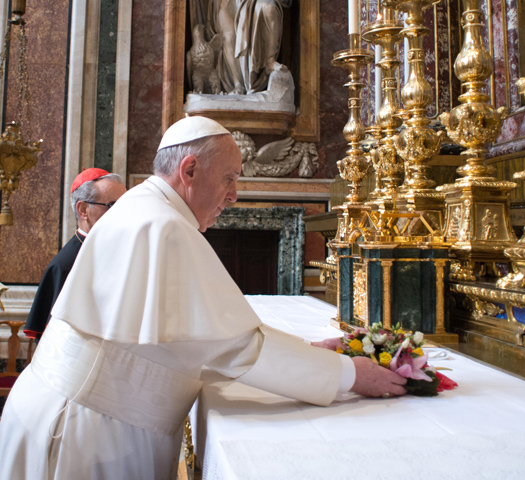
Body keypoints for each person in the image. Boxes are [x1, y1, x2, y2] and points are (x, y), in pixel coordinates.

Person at [0, 116, 406, 480]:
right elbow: (236, 349)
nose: (234, 195)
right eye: (230, 178)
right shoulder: (162, 226)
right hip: (84, 435)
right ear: (190, 169)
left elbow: (183, 344)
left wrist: (308, 350)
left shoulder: (147, 211)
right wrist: (350, 375)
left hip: (81, 416)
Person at [23, 169, 127, 341]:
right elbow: (57, 341)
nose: (123, 213)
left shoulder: (119, 250)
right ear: (83, 210)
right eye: (113, 206)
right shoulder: (65, 265)